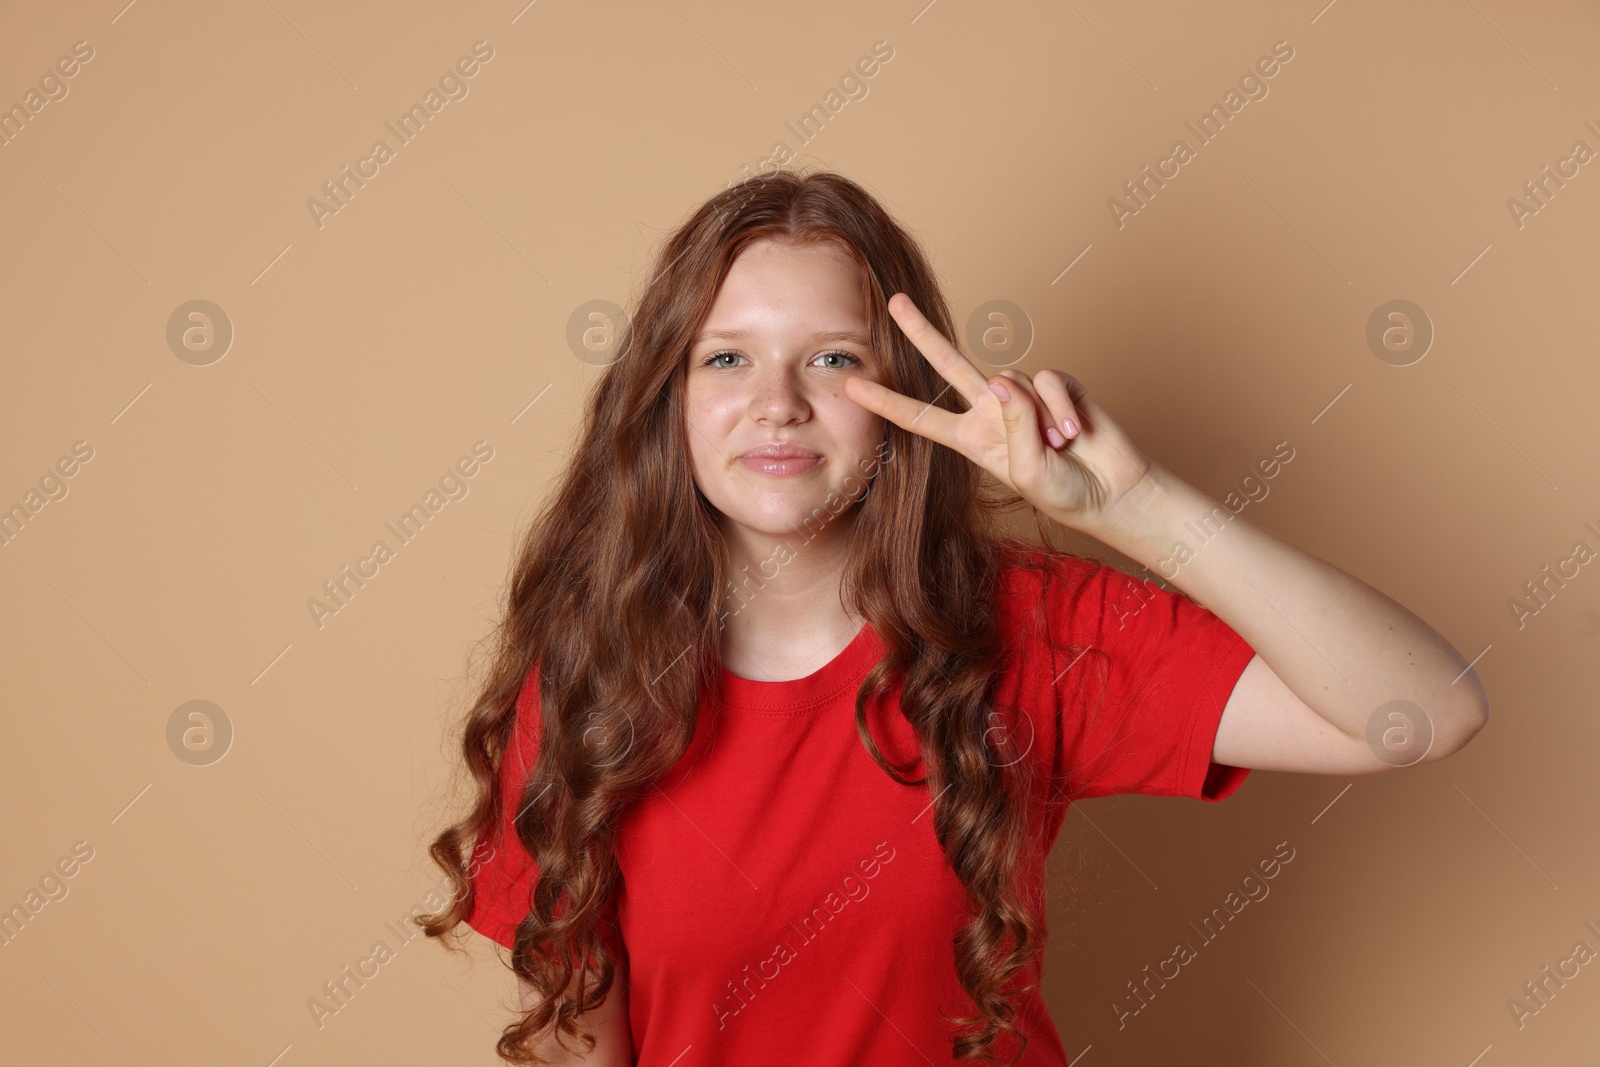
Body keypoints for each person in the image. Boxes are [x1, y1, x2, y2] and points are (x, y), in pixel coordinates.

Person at [420, 167, 1490, 1066]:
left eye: (834, 359)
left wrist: (1140, 508)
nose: (779, 402)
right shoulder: (588, 677)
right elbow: (581, 1035)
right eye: (727, 356)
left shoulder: (1024, 624)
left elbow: (1423, 711)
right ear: (668, 400)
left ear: (906, 398)